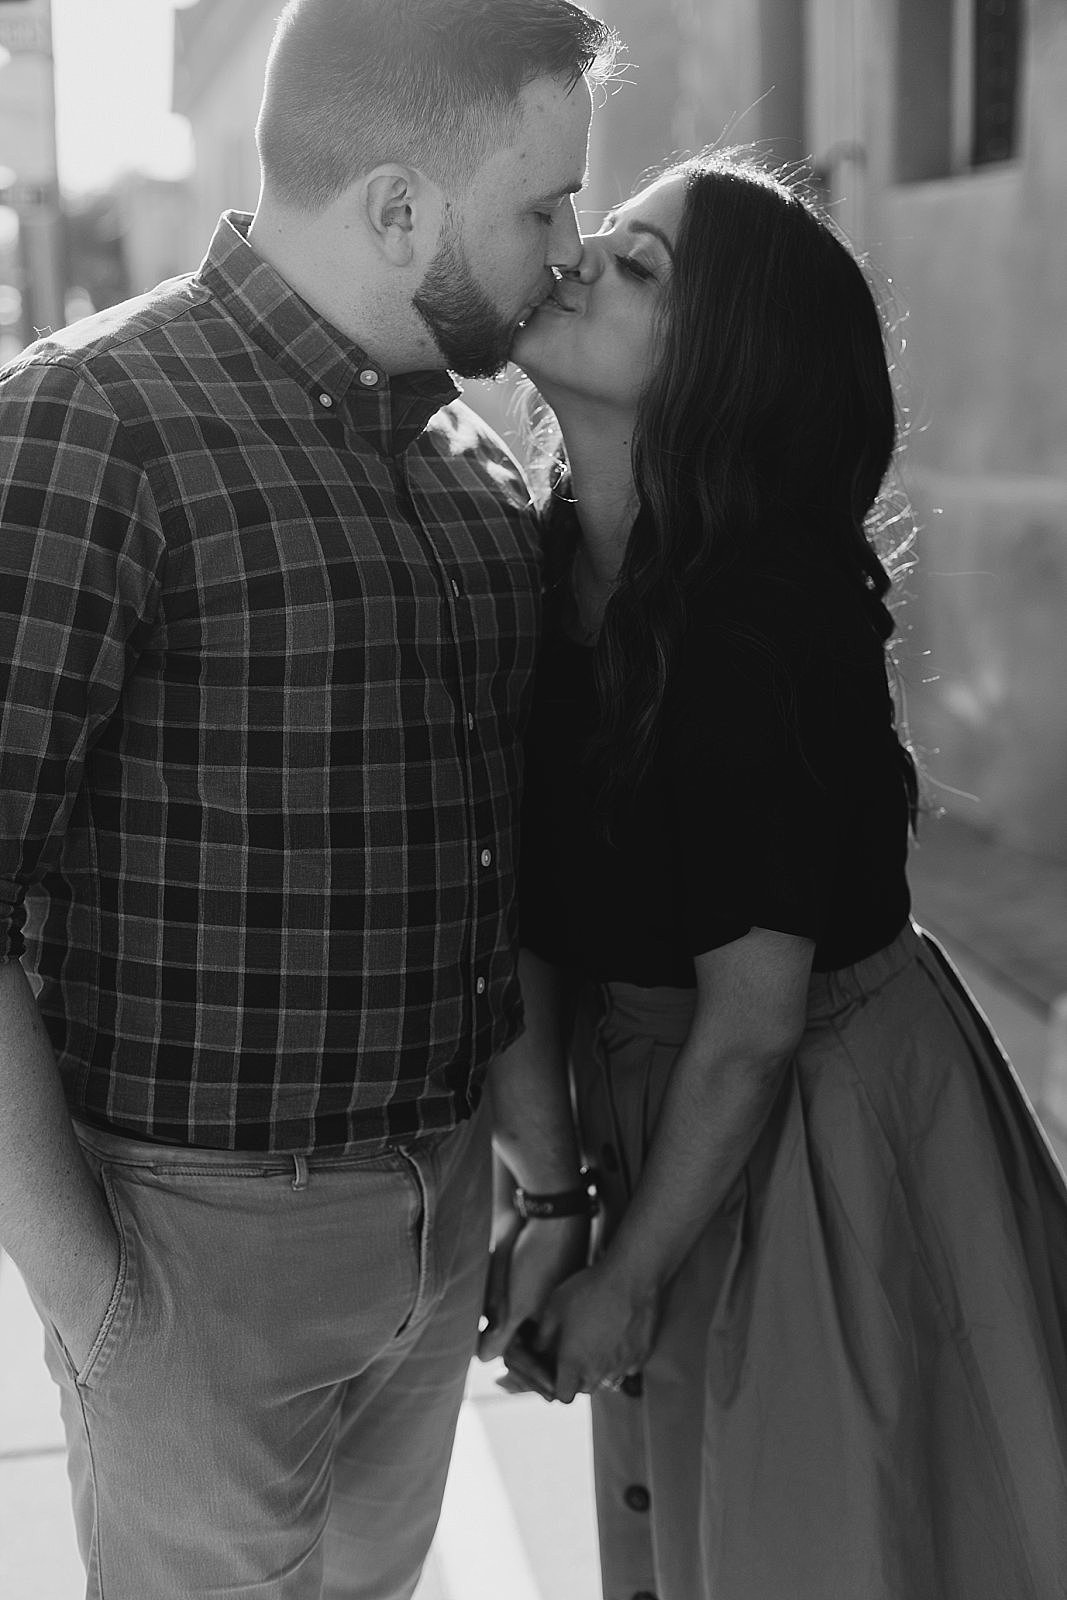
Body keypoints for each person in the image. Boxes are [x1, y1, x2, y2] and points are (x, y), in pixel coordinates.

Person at [0, 2, 619, 1595]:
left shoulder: (476, 469)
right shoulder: (92, 421)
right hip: (195, 1254)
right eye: (542, 207)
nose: (569, 251)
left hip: (442, 1216)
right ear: (398, 206)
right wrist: (96, 1300)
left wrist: (534, 1181)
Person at [481, 149, 1067, 1600]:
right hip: (671, 1111)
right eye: (598, 236)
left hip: (823, 1128)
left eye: (640, 267)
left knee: (818, 1535)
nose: (578, 261)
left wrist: (619, 1278)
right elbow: (532, 924)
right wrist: (555, 1207)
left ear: (726, 367)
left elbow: (748, 1034)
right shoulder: (543, 572)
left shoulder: (758, 622)